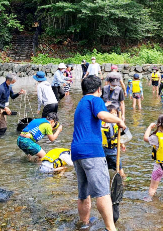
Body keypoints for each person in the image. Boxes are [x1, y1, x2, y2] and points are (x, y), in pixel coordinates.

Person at [71, 75, 126, 231]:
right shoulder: (95, 100)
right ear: (99, 90)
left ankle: (85, 224)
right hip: (92, 151)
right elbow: (103, 116)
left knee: (84, 193)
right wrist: (118, 120)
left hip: (76, 152)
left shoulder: (81, 103)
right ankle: (111, 228)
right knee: (103, 192)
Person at [101, 105, 126, 178]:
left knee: (118, 166)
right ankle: (122, 177)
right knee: (116, 166)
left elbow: (118, 136)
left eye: (115, 113)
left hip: (113, 150)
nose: (114, 115)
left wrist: (122, 144)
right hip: (106, 150)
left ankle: (122, 177)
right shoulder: (105, 124)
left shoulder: (116, 124)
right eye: (112, 113)